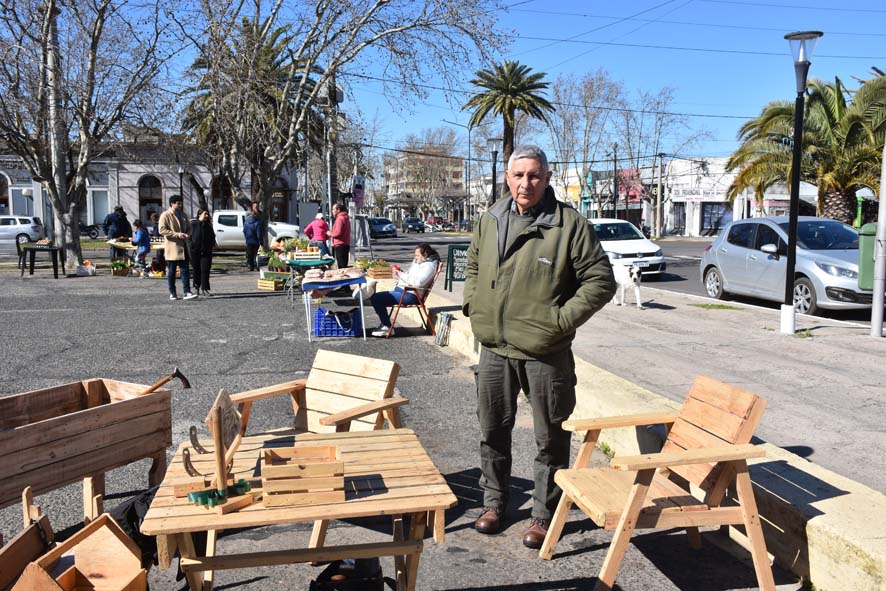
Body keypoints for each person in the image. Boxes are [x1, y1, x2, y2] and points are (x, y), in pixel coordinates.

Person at [463, 145, 616, 549]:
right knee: (492, 430)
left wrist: (558, 323)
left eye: (534, 175)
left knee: (550, 438)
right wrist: (472, 305)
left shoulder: (569, 225)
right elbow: (474, 264)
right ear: (507, 178)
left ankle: (543, 514)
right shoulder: (490, 219)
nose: (525, 183)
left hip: (545, 352)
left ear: (547, 178)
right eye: (518, 175)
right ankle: (494, 503)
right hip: (494, 347)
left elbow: (600, 282)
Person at [366, 243, 440, 337]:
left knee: (377, 298)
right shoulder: (420, 263)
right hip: (404, 290)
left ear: (425, 255)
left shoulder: (429, 266)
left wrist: (401, 275)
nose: (416, 258)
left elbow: (418, 283)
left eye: (417, 255)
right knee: (376, 296)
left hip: (411, 294)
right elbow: (410, 276)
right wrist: (401, 272)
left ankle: (387, 326)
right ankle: (385, 324)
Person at [158, 195, 197, 300]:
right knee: (172, 271)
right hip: (172, 247)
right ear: (172, 203)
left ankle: (187, 292)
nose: (180, 205)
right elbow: (161, 230)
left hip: (183, 247)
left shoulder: (183, 215)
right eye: (178, 203)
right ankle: (172, 292)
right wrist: (177, 234)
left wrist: (188, 234)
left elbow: (189, 228)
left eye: (181, 203)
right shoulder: (165, 215)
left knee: (185, 270)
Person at [189, 208, 216, 296]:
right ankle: (196, 287)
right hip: (195, 251)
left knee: (205, 270)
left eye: (207, 214)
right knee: (196, 270)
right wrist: (191, 246)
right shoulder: (193, 224)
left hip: (206, 252)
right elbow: (189, 237)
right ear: (199, 214)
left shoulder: (208, 226)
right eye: (205, 214)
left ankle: (205, 288)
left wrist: (211, 246)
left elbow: (213, 237)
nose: (207, 216)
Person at [329, 201, 351, 269]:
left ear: (338, 210)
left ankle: (344, 279)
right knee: (344, 266)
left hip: (340, 244)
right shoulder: (346, 218)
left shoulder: (340, 219)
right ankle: (346, 279)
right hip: (346, 244)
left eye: (333, 209)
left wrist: (330, 233)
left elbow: (337, 233)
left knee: (341, 267)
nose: (332, 211)